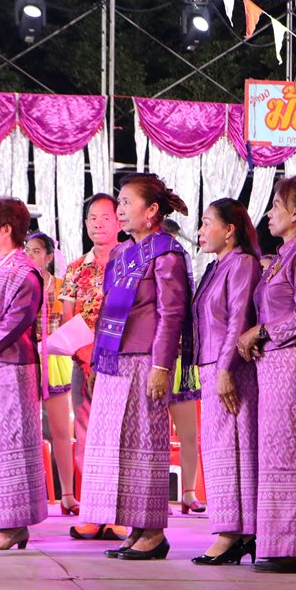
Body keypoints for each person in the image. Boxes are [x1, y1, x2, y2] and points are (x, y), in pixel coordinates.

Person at [80, 173, 192, 560]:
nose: (121, 209)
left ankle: (153, 530)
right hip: (115, 362)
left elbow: (171, 314)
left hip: (146, 360)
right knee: (118, 447)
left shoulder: (166, 253)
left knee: (145, 444)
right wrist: (97, 363)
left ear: (152, 210)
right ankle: (134, 526)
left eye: (128, 202)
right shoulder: (121, 254)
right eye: (120, 202)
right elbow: (106, 312)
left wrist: (162, 366)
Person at [237, 169, 296, 574]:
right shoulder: (282, 256)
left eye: (276, 206)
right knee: (275, 453)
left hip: (292, 363)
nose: (269, 213)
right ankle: (280, 542)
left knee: (290, 451)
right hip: (271, 364)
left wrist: (261, 331)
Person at [0, 200, 47, 551]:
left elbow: (15, 322)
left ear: (4, 229)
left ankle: (14, 524)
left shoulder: (24, 271)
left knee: (10, 446)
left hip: (12, 368)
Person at [190, 198, 261, 565]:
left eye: (207, 223)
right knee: (220, 451)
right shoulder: (216, 267)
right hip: (211, 366)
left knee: (233, 448)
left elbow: (239, 318)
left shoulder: (243, 263)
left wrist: (225, 369)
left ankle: (235, 532)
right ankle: (235, 530)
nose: (200, 231)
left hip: (229, 368)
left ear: (229, 230)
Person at [59, 193, 125, 541]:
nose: (98, 224)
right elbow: (67, 320)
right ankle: (92, 513)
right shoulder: (75, 269)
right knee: (85, 438)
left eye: (105, 217)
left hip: (120, 364)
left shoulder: (131, 261)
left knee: (118, 438)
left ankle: (118, 515)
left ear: (119, 221)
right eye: (92, 218)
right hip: (83, 364)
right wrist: (86, 360)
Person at [25, 231, 78, 516]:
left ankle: (67, 494)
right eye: (27, 250)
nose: (30, 255)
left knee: (61, 431)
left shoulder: (59, 285)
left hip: (56, 358)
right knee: (28, 432)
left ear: (48, 257)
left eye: (36, 251)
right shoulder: (20, 283)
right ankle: (32, 494)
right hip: (27, 358)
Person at [160, 218, 204, 515]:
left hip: (180, 363)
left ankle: (189, 492)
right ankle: (155, 496)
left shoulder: (186, 277)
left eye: (175, 242)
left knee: (188, 433)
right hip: (154, 362)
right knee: (155, 435)